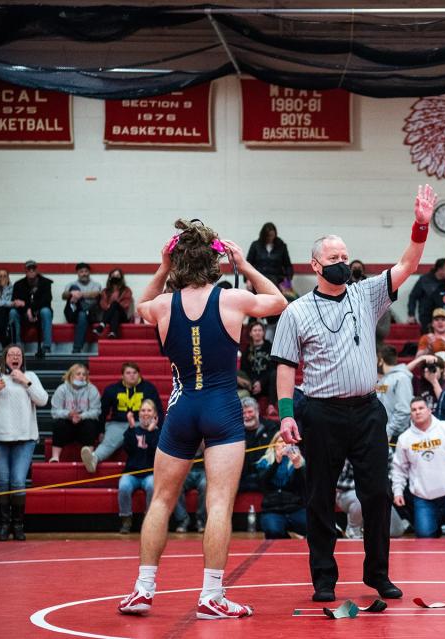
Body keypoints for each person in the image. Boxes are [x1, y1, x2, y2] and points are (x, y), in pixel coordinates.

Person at [272, 185, 437, 604]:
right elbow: (285, 366)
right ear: (315, 265)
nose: (343, 264)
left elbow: (407, 264)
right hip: (321, 414)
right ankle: (324, 579)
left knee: (377, 495)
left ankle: (378, 575)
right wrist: (287, 415)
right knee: (320, 499)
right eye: (334, 259)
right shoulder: (296, 311)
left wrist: (420, 224)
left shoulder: (366, 294)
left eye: (346, 257)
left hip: (367, 412)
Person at [117, 218, 287, 620]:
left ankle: (143, 589)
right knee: (219, 503)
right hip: (222, 409)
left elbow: (140, 307)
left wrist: (161, 269)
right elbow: (278, 300)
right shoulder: (230, 299)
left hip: (181, 409)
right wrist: (244, 266)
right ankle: (212, 595)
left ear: (177, 261)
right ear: (216, 262)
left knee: (160, 499)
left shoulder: (161, 305)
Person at [0, 344, 48, 541]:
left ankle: (18, 525)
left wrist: (26, 382)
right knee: (3, 482)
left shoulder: (30, 376)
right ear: (4, 358)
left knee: (17, 481)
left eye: (18, 354)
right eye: (11, 354)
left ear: (22, 359)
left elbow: (43, 401)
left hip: (25, 438)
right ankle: (3, 526)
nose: (15, 357)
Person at [392, 397, 445, 538]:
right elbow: (398, 468)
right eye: (414, 410)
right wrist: (397, 491)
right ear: (411, 414)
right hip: (423, 498)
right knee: (424, 536)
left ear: (429, 410)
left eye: (421, 408)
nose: (417, 412)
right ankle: (436, 525)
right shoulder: (404, 439)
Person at [81, 362, 163, 473]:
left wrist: (159, 428)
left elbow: (158, 410)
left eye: (135, 372)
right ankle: (94, 458)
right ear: (122, 375)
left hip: (142, 423)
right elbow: (102, 412)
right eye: (128, 373)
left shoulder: (148, 388)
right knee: (109, 442)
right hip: (118, 424)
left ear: (139, 374)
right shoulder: (112, 390)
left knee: (150, 438)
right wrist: (100, 431)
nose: (132, 375)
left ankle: (161, 462)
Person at [118, 399, 160, 534]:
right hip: (131, 473)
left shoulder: (158, 433)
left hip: (149, 474)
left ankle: (148, 520)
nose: (145, 413)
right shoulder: (133, 430)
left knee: (152, 486)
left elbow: (156, 453)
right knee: (123, 486)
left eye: (149, 410)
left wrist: (151, 432)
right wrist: (130, 428)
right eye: (143, 410)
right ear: (139, 413)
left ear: (154, 415)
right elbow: (128, 449)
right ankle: (126, 519)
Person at [254, 433, 307, 539]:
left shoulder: (300, 462)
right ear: (274, 445)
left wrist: (297, 467)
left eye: (287, 442)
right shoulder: (264, 462)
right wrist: (276, 463)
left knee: (313, 527)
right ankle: (286, 538)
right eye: (280, 442)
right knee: (273, 531)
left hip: (295, 507)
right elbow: (262, 484)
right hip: (272, 509)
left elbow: (304, 487)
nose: (284, 445)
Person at [49, 363, 101, 463]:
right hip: (67, 423)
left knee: (91, 424)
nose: (82, 376)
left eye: (84, 374)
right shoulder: (61, 389)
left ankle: (89, 457)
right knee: (58, 424)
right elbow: (55, 412)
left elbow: (96, 411)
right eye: (78, 374)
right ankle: (55, 457)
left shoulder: (92, 389)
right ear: (71, 375)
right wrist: (68, 414)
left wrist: (81, 416)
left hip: (84, 423)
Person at [9, 260, 54, 358]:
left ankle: (46, 346)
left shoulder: (46, 283)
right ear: (25, 271)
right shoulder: (18, 284)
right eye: (29, 269)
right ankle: (17, 346)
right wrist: (27, 310)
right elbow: (15, 302)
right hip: (23, 314)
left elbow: (46, 301)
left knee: (46, 311)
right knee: (12, 312)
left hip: (40, 312)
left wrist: (30, 308)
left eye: (33, 269)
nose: (31, 271)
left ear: (37, 270)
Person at [237, 397, 279, 492]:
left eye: (250, 412)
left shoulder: (272, 427)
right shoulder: (236, 433)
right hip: (243, 477)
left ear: (257, 411)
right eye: (243, 413)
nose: (247, 416)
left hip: (268, 476)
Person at [62, 262, 102, 354]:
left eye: (86, 271)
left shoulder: (96, 284)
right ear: (78, 273)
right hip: (73, 313)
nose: (84, 273)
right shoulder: (71, 284)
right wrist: (72, 293)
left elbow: (96, 294)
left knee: (83, 314)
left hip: (90, 313)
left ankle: (76, 349)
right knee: (74, 287)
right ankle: (76, 349)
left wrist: (80, 295)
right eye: (81, 272)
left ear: (89, 273)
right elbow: (64, 296)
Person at [376, 344, 414, 439]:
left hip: (396, 435)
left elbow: (404, 409)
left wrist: (389, 431)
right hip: (384, 432)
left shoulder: (401, 378)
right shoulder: (384, 379)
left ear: (381, 360)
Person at [238, 321, 276, 405]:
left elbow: (272, 368)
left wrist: (260, 382)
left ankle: (271, 405)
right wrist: (254, 382)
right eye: (255, 330)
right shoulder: (247, 350)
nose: (257, 333)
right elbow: (244, 370)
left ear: (263, 332)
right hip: (251, 384)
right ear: (250, 333)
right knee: (237, 374)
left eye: (259, 330)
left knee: (275, 373)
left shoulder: (270, 347)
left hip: (267, 383)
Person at [246, 222, 294, 289]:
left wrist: (288, 281)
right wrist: (248, 280)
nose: (270, 238)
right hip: (259, 278)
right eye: (268, 236)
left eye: (272, 235)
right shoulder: (255, 245)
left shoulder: (281, 246)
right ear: (263, 235)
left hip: (277, 279)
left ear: (275, 234)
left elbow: (287, 265)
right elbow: (248, 264)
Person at [94, 268, 134, 339]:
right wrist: (109, 307)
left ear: (121, 278)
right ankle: (113, 333)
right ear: (110, 277)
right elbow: (102, 303)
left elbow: (126, 304)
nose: (115, 277)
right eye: (113, 275)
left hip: (122, 316)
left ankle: (102, 325)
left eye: (117, 275)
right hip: (109, 316)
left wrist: (113, 305)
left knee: (115, 304)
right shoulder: (105, 291)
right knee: (115, 312)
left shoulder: (126, 290)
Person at [407, 258, 445, 328]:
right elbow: (413, 297)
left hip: (443, 316)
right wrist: (411, 314)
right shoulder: (425, 280)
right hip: (426, 316)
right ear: (440, 269)